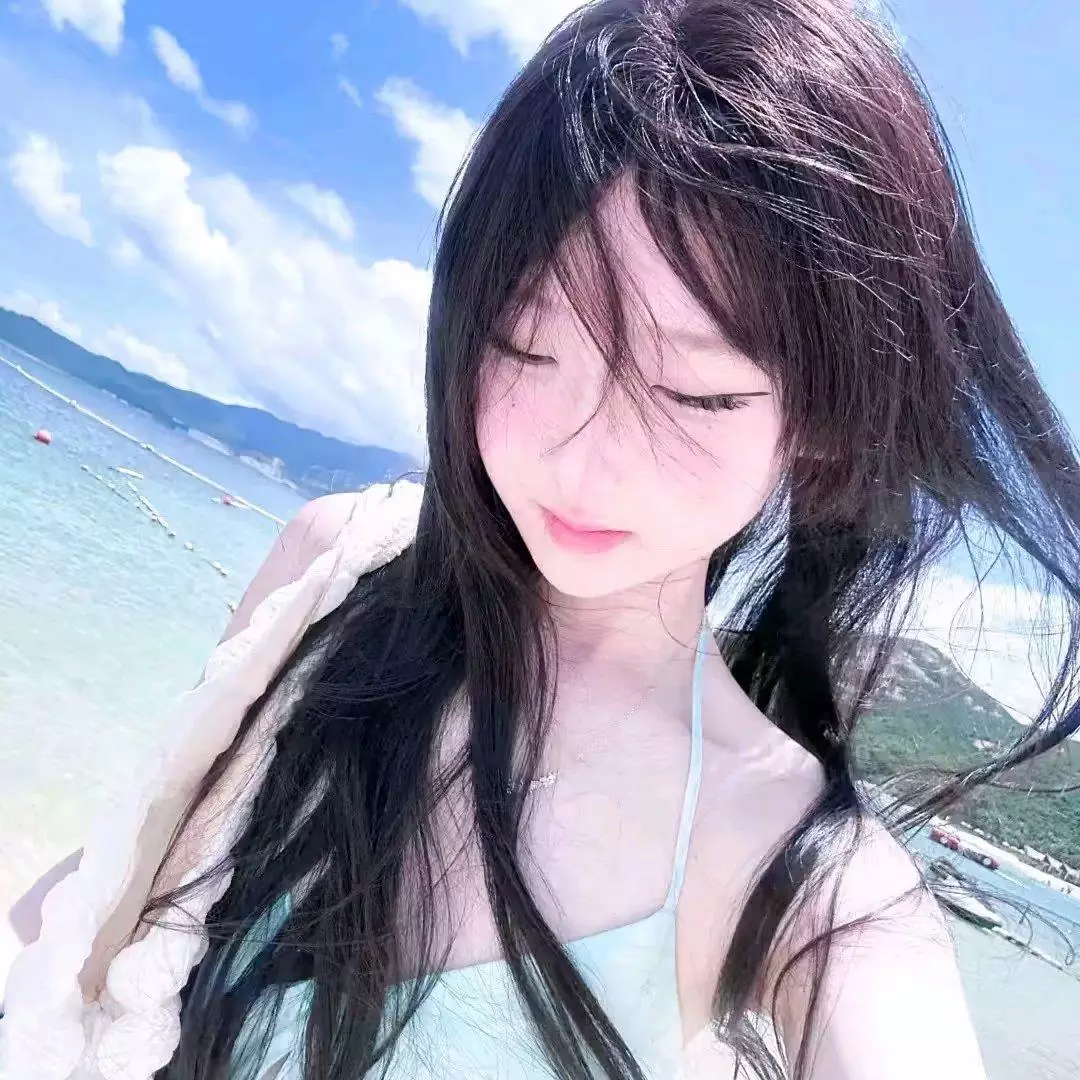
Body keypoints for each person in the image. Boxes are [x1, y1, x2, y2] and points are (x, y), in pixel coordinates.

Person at [4, 1, 1079, 1077]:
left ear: (823, 426)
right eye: (523, 344)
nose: (583, 461)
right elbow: (117, 888)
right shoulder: (334, 575)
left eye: (694, 394)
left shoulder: (804, 874)